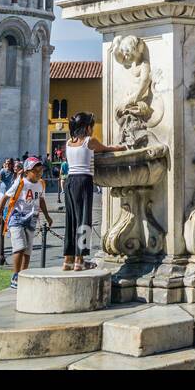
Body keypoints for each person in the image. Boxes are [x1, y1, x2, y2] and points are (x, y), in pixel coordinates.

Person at [63, 112, 123, 271]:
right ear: (87, 128)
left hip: (69, 182)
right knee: (84, 220)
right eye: (92, 127)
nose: (93, 130)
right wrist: (122, 147)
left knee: (71, 221)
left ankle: (67, 260)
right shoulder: (90, 141)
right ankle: (80, 260)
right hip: (83, 180)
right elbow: (107, 149)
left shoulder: (69, 142)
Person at [0, 155, 53, 289]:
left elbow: (41, 200)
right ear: (27, 172)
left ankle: (23, 275)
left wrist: (47, 216)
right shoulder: (21, 183)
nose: (39, 173)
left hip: (32, 219)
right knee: (19, 247)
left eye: (40, 171)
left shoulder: (41, 184)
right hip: (17, 217)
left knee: (27, 250)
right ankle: (15, 275)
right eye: (35, 171)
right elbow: (5, 198)